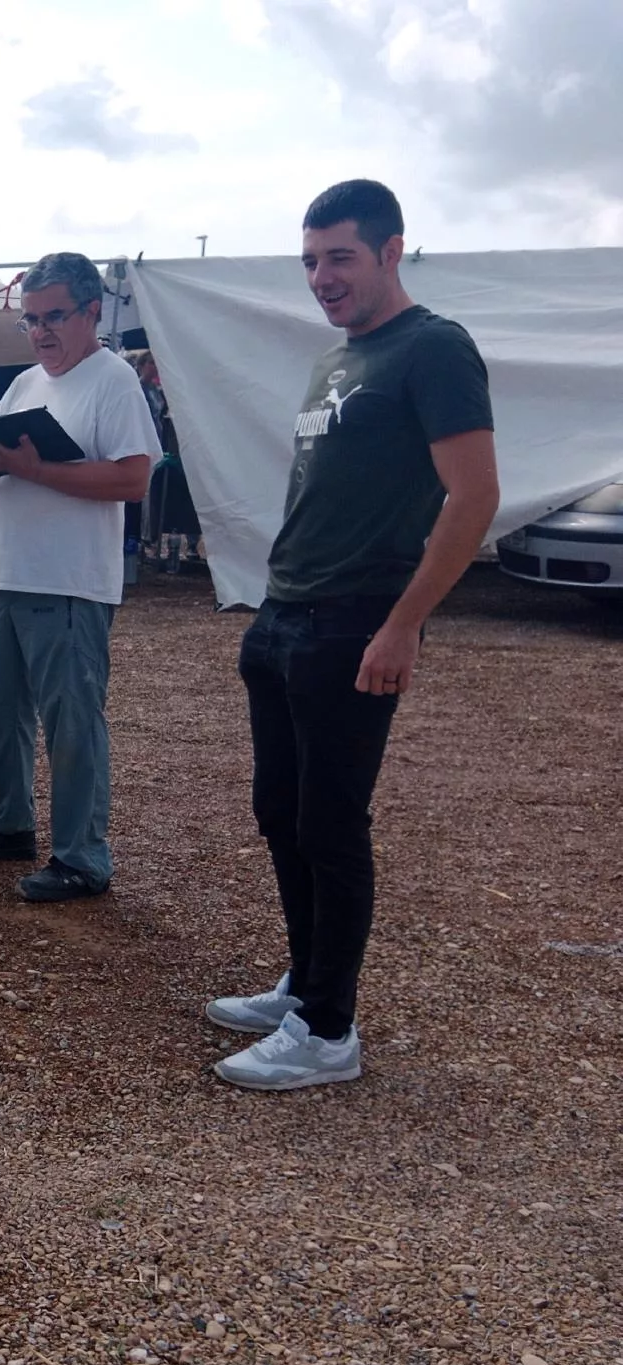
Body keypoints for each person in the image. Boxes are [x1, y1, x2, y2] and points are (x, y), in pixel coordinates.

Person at [208, 180, 499, 1091]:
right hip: (286, 609)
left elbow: (474, 495)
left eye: (339, 257)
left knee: (332, 823)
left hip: (354, 620)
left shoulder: (435, 348)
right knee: (280, 814)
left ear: (389, 251)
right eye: (309, 261)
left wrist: (403, 624)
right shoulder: (337, 361)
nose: (322, 277)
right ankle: (308, 984)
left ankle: (330, 1031)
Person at [0, 251, 160, 903]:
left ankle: (82, 856)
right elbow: (3, 462)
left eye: (53, 316)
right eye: (31, 319)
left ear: (93, 312)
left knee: (71, 723)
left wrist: (33, 470)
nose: (40, 331)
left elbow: (133, 477)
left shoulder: (112, 380)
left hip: (69, 582)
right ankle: (8, 822)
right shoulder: (27, 382)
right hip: (10, 573)